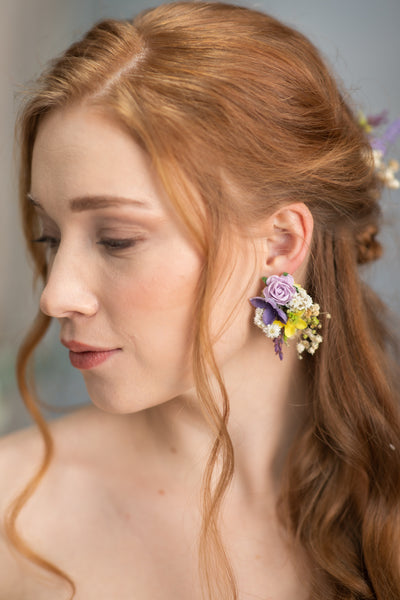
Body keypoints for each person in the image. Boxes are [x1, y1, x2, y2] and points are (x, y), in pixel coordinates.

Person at [1, 2, 399, 598]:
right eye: (49, 237)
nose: (56, 294)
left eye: (116, 239)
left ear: (281, 242)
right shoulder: (15, 511)